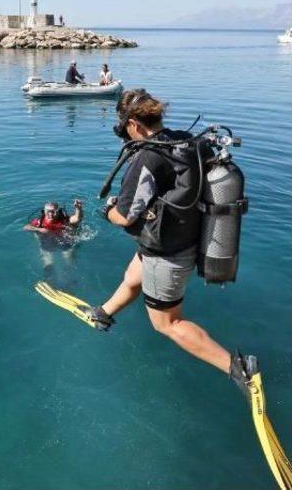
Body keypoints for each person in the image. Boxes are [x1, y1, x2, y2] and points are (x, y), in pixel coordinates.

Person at [81, 89, 253, 389]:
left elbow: (125, 217)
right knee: (133, 275)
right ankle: (104, 313)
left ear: (134, 124)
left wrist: (108, 210)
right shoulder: (187, 141)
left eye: (126, 130)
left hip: (167, 252)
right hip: (185, 237)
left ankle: (238, 369)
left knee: (168, 323)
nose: (126, 137)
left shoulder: (148, 157)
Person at [23, 200, 83, 274]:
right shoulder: (39, 221)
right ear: (44, 211)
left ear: (58, 211)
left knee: (69, 261)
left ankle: (70, 275)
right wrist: (39, 229)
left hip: (64, 241)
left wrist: (78, 209)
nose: (51, 214)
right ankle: (50, 278)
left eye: (53, 211)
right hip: (48, 243)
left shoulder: (64, 219)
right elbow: (26, 227)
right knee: (48, 263)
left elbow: (77, 219)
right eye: (48, 211)